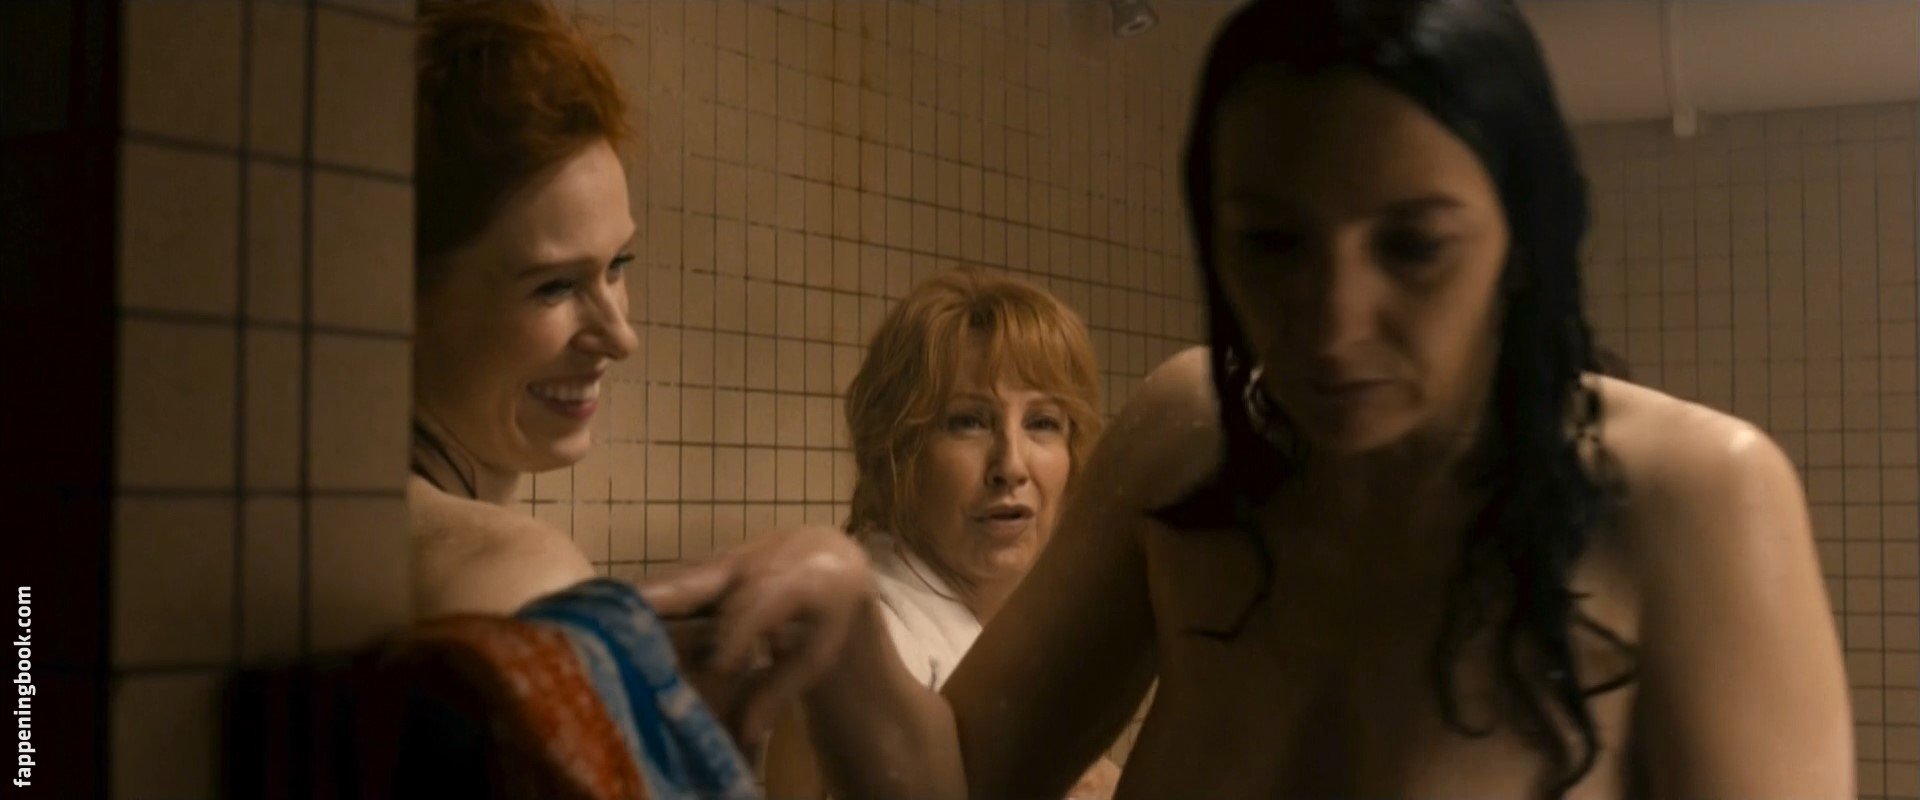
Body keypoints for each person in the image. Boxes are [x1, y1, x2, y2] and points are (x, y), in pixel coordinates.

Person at [642, 1, 1854, 798]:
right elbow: (963, 784)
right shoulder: (1188, 441)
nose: (1330, 324)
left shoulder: (1685, 497)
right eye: (1273, 243)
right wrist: (843, 616)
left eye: (1414, 246)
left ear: (1523, 237)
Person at [759, 268, 1122, 799]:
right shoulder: (864, 645)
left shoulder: (1033, 621)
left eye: (1042, 422)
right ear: (898, 450)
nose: (1011, 465)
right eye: (969, 421)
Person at [409, 0, 640, 617]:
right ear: (400, 302)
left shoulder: (350, 530)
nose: (622, 338)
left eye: (618, 265)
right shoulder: (518, 574)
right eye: (555, 287)